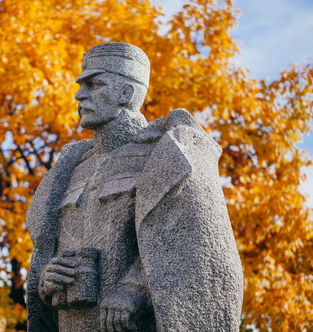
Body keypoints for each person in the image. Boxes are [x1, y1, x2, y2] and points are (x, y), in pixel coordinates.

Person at [26, 42, 243, 332]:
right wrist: (46, 278)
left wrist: (134, 289)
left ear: (126, 93)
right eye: (81, 85)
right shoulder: (71, 168)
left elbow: (188, 241)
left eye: (95, 84)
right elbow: (50, 247)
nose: (80, 94)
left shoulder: (163, 153)